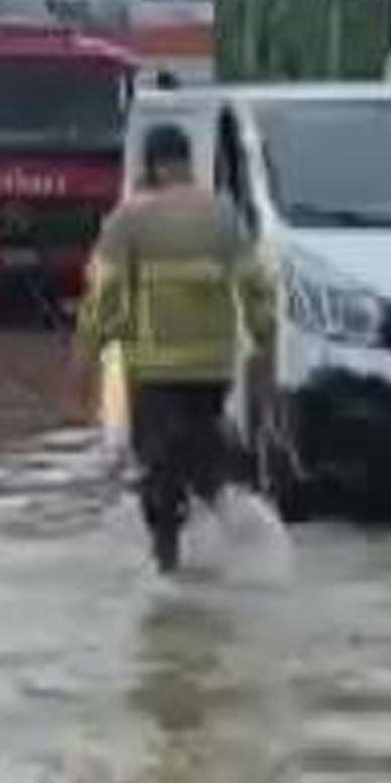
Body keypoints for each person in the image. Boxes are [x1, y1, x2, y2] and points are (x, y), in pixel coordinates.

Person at [76, 122, 271, 573]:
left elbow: (103, 296)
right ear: (187, 163)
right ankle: (234, 530)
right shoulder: (224, 215)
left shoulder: (131, 218)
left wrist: (84, 357)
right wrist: (264, 348)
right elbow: (257, 290)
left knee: (161, 473)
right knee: (200, 452)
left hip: (156, 371)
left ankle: (170, 568)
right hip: (213, 371)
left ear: (152, 164)